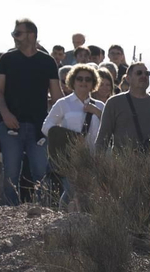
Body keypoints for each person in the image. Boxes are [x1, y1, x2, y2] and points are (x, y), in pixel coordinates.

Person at [0, 18, 62, 206]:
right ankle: (9, 214)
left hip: (39, 127)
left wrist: (65, 114)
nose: (14, 37)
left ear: (32, 35)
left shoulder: (47, 61)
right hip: (10, 126)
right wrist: (5, 114)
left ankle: (43, 212)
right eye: (14, 33)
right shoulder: (6, 59)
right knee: (11, 173)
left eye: (18, 33)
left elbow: (57, 96)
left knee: (41, 172)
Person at [42, 64, 106, 203]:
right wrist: (70, 138)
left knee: (89, 195)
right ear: (73, 81)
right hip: (69, 156)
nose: (83, 82)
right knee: (70, 192)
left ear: (93, 83)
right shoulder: (63, 103)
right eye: (79, 78)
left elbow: (109, 128)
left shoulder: (100, 105)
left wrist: (96, 112)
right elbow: (46, 127)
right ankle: (62, 214)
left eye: (88, 79)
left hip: (93, 157)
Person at [96, 61, 150, 153]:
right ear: (128, 78)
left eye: (147, 73)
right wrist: (97, 159)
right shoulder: (114, 103)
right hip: (123, 161)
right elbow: (103, 137)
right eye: (139, 73)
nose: (144, 76)